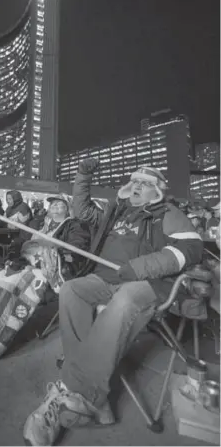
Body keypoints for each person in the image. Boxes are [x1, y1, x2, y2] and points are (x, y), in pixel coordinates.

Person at [23, 159, 204, 446]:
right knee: (71, 290)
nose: (136, 187)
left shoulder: (167, 213)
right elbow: (81, 211)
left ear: (156, 191)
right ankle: (91, 394)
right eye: (134, 181)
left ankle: (77, 394)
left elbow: (192, 249)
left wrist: (141, 267)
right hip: (102, 279)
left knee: (126, 298)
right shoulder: (114, 211)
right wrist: (82, 176)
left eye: (144, 184)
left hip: (145, 283)